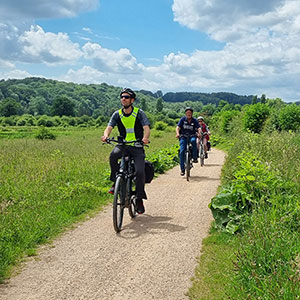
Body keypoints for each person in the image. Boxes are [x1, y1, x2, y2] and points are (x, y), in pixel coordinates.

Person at [101, 88, 150, 214]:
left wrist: (145, 138)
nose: (124, 99)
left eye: (127, 97)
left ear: (132, 100)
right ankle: (115, 182)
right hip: (122, 145)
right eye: (122, 97)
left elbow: (146, 127)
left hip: (137, 146)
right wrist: (106, 135)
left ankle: (139, 199)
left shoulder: (139, 113)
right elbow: (109, 127)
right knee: (113, 156)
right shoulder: (117, 114)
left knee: (139, 172)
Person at [176, 107, 201, 176]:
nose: (188, 114)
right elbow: (178, 127)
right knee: (182, 151)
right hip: (183, 136)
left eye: (190, 113)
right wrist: (177, 134)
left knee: (194, 141)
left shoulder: (194, 120)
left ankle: (195, 157)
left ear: (192, 113)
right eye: (187, 113)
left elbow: (199, 128)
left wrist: (199, 133)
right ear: (185, 113)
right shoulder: (182, 120)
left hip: (192, 136)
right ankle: (182, 169)